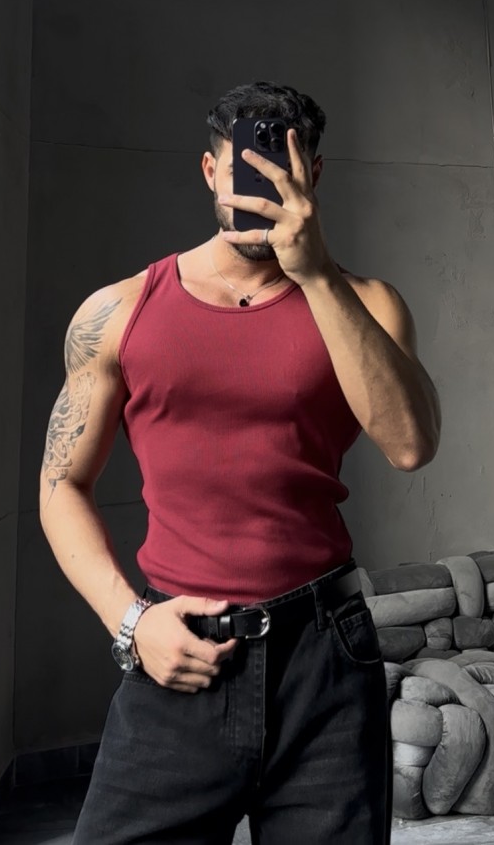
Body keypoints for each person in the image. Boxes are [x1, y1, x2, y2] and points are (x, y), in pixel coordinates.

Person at [39, 81, 442, 845]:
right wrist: (131, 623)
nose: (259, 190)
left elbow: (410, 445)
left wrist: (316, 275)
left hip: (324, 655)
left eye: (280, 171)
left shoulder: (367, 303)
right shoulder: (118, 311)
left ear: (313, 176)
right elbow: (62, 485)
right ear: (209, 172)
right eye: (243, 170)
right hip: (179, 646)